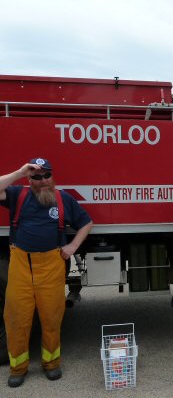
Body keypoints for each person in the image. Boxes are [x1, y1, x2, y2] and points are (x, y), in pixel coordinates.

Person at [0, 158, 93, 388]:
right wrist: (20, 172)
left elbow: (86, 223)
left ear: (53, 176)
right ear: (29, 180)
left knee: (51, 317)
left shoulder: (64, 199)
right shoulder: (17, 195)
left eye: (46, 176)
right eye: (36, 177)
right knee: (16, 318)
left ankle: (51, 364)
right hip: (21, 265)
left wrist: (72, 247)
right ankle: (18, 368)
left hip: (51, 265)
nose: (43, 181)